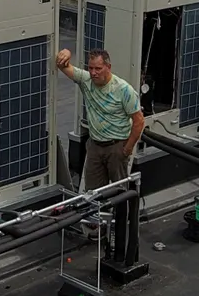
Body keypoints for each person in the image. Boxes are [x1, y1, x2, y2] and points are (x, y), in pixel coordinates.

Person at [55, 47, 146, 190]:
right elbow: (62, 65)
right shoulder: (86, 80)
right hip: (95, 147)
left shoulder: (124, 90)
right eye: (90, 68)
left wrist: (127, 149)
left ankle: (122, 212)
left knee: (120, 191)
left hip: (116, 146)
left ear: (108, 67)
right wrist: (66, 52)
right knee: (93, 192)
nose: (93, 73)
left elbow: (139, 121)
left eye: (98, 68)